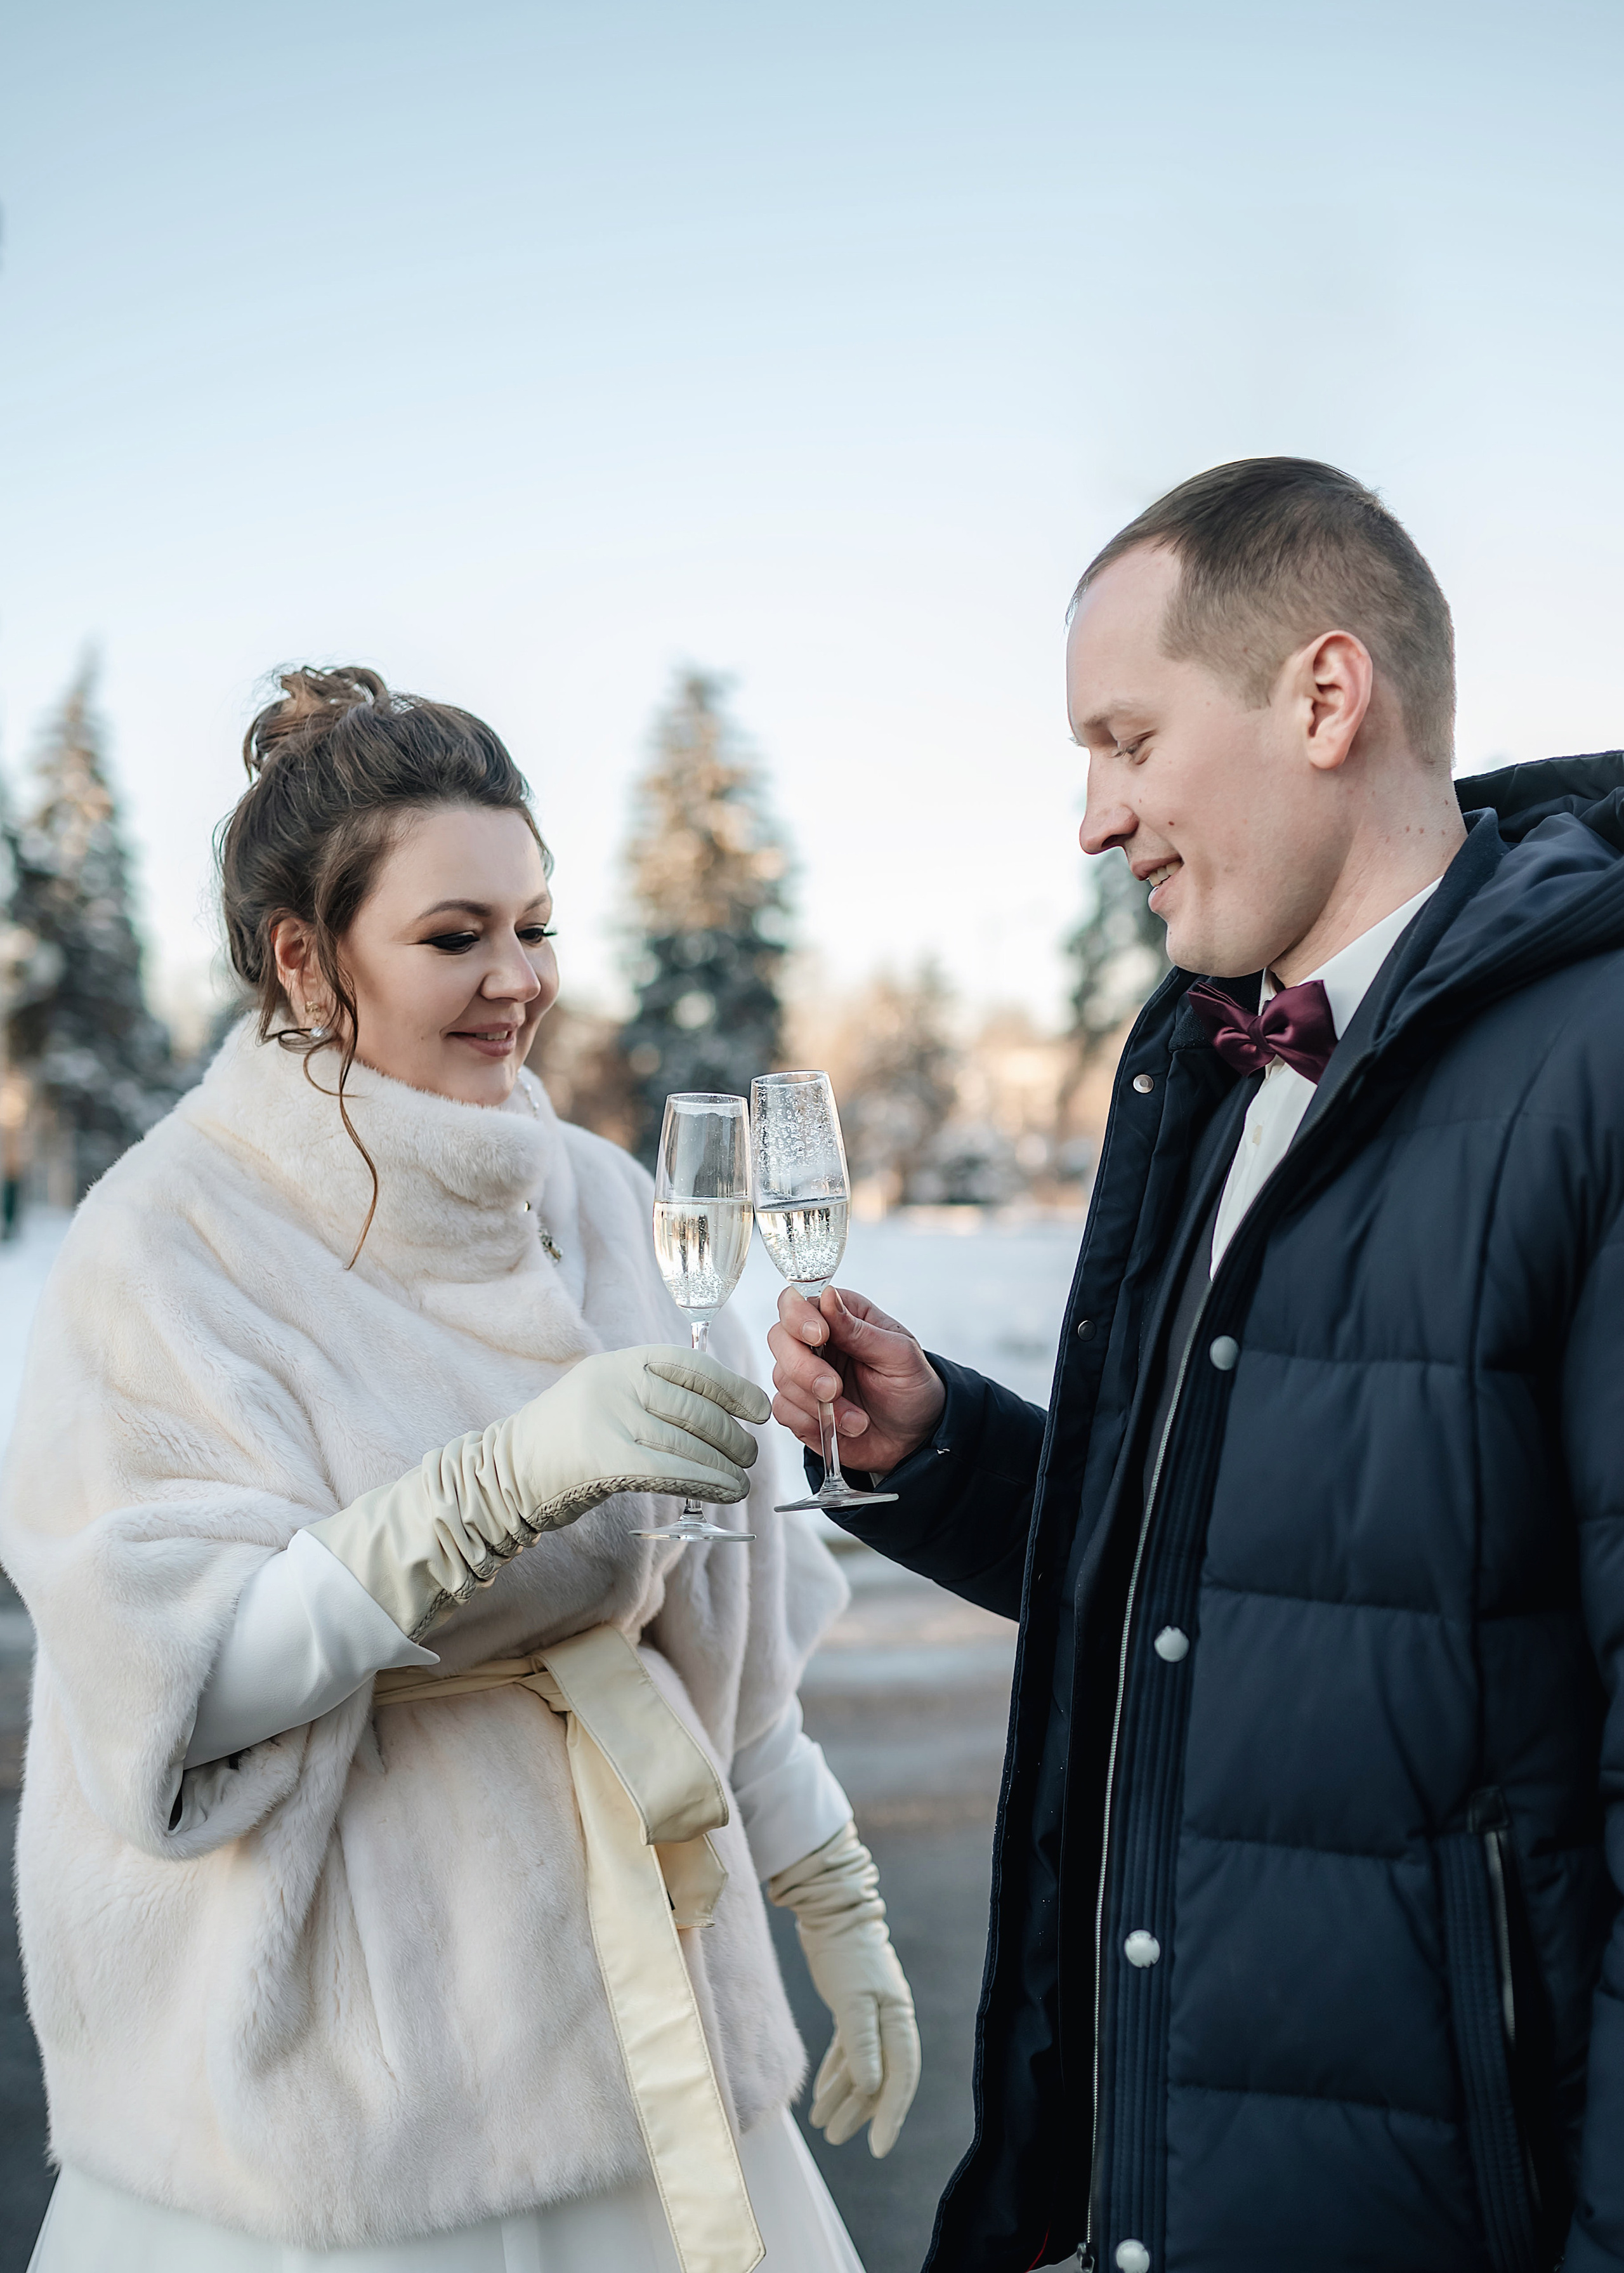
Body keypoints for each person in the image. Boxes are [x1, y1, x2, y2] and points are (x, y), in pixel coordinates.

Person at [768, 459, 1624, 2273]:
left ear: (1323, 696)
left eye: (1126, 736)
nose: (1095, 815)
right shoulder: (1204, 1076)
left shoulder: (1601, 1067)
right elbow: (1253, 1578)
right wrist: (948, 1449)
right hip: (1141, 2193)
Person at [0, 666, 919, 2273]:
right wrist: (481, 1496)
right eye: (454, 936)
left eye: (536, 925)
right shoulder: (165, 1242)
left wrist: (833, 1894)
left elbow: (719, 1636)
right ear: (304, 956)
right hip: (355, 2114)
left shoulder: (597, 1192)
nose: (519, 980)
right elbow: (177, 1692)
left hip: (653, 2035)